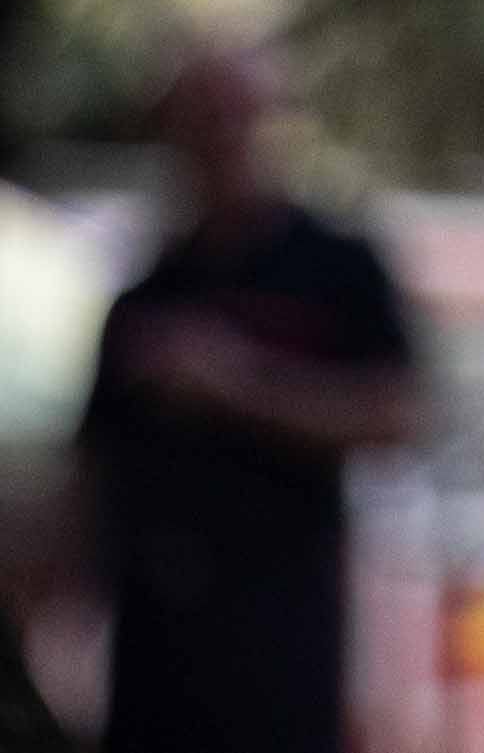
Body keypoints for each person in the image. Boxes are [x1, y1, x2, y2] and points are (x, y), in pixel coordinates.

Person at [71, 42, 421, 753]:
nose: (218, 138)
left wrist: (236, 388)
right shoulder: (147, 293)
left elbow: (399, 412)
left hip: (281, 646)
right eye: (198, 118)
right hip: (156, 652)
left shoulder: (336, 267)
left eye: (234, 115)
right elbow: (88, 476)